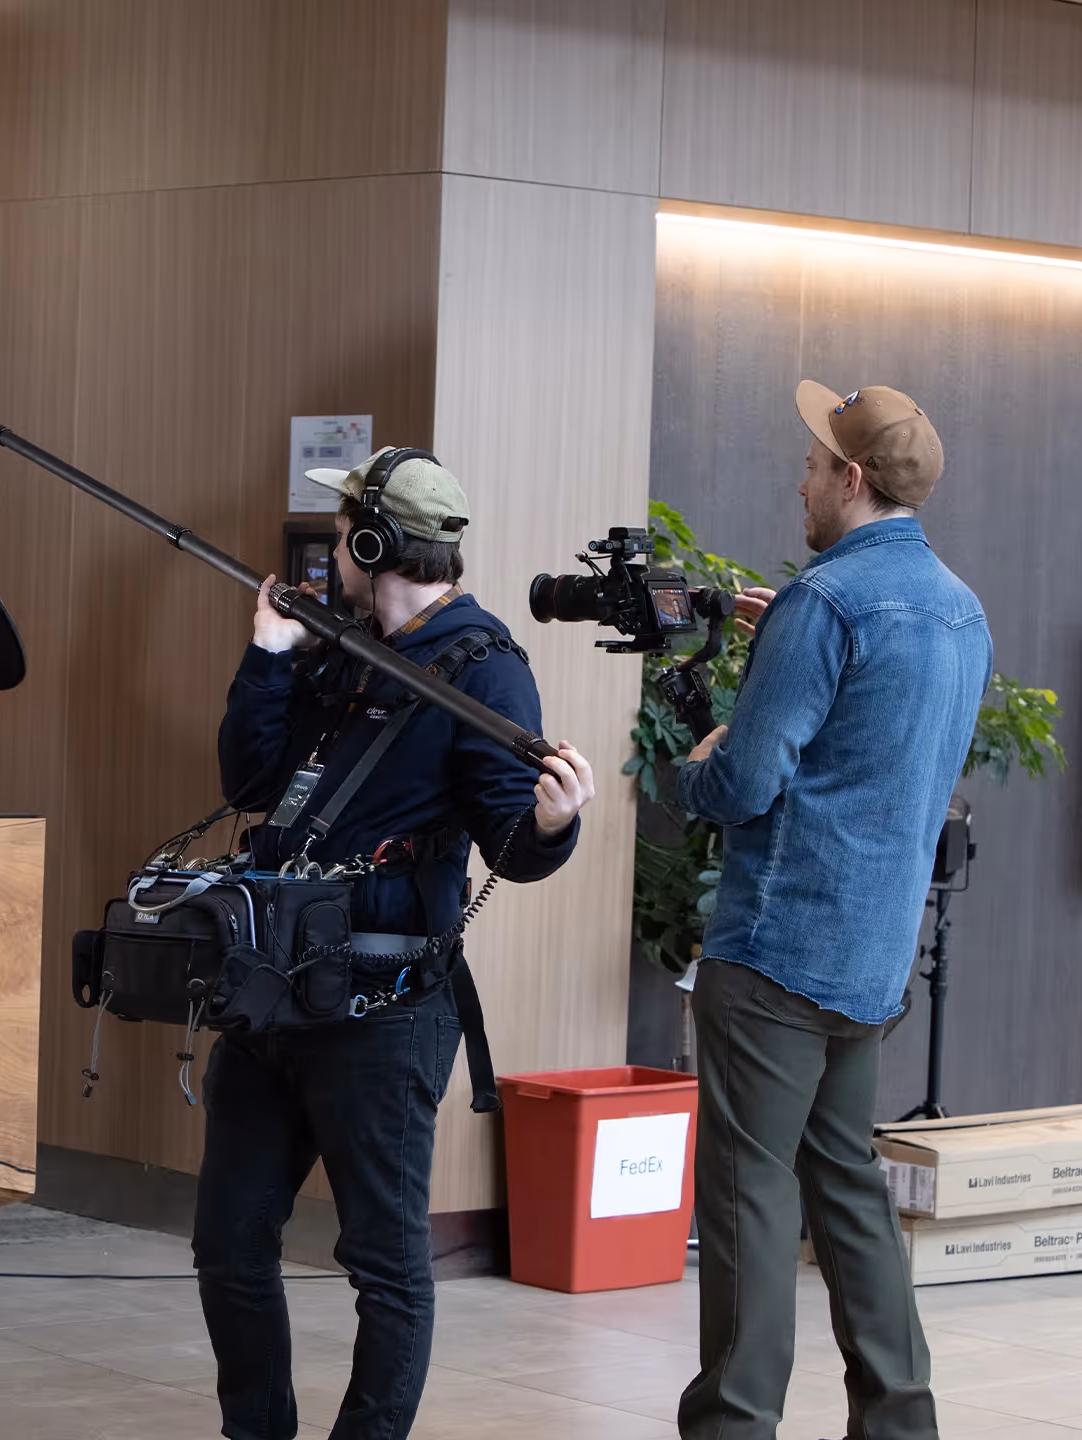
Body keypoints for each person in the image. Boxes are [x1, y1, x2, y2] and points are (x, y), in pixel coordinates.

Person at [202, 446, 596, 1440]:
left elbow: (512, 844)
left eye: (343, 534)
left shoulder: (486, 669)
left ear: (372, 545)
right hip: (272, 990)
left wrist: (553, 824)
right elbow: (250, 784)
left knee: (382, 1263)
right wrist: (269, 657)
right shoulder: (336, 649)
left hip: (382, 1009)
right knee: (228, 1242)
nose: (331, 550)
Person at [671, 384, 987, 1440]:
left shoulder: (826, 603)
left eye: (812, 464)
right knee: (847, 1184)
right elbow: (884, 746)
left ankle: (734, 1424)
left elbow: (746, 782)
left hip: (775, 951)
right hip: (870, 959)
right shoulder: (960, 608)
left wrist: (696, 764)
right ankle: (901, 1421)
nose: (799, 479)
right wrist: (791, 636)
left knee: (750, 1197)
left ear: (851, 478)